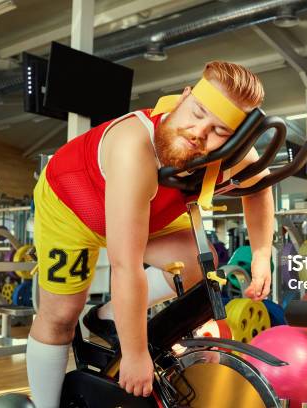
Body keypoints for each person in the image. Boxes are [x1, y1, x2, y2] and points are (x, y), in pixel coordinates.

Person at [26, 61, 274, 408]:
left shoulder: (233, 154)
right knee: (61, 315)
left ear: (235, 137)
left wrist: (262, 254)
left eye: (219, 129)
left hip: (148, 207)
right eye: (197, 112)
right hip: (73, 205)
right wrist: (135, 353)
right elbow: (125, 265)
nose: (199, 131)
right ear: (184, 97)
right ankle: (44, 406)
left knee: (194, 265)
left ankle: (108, 317)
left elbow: (259, 188)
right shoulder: (134, 148)